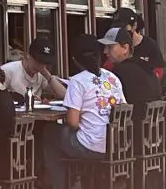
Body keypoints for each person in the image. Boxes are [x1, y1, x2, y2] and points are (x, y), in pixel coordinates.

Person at [44, 35, 126, 189]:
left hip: (90, 146)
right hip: (116, 144)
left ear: (75, 59)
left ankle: (59, 184)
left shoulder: (77, 81)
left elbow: (73, 123)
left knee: (49, 133)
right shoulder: (113, 78)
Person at [98, 27, 162, 123]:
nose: (105, 52)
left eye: (110, 47)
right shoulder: (148, 68)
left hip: (130, 130)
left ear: (125, 48)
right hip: (152, 130)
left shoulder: (120, 71)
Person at [0, 38, 67, 101]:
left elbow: (64, 95)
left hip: (36, 112)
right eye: (38, 61)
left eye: (44, 63)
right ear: (28, 55)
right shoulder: (8, 70)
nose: (40, 66)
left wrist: (48, 75)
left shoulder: (42, 73)